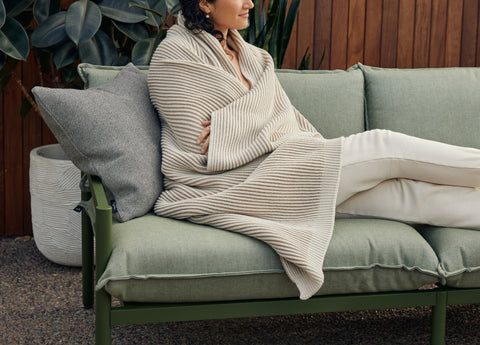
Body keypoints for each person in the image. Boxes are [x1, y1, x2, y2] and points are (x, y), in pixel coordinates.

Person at [147, 0, 480, 300]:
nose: (250, 3)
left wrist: (233, 121)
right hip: (248, 183)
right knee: (384, 145)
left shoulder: (251, 55)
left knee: (407, 195)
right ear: (204, 3)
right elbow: (200, 143)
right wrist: (248, 119)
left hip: (294, 161)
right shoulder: (173, 55)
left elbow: (273, 116)